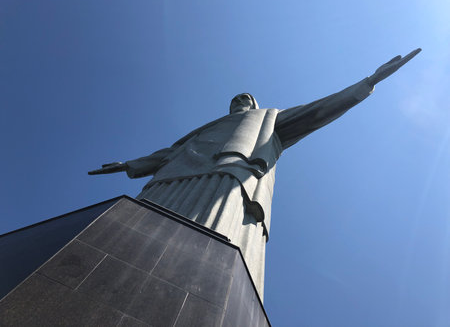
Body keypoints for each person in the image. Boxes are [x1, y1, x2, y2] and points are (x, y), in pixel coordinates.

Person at [89, 49, 421, 297]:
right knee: (132, 232)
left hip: (227, 172)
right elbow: (168, 153)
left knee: (207, 241)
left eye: (245, 98)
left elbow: (319, 110)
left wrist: (368, 82)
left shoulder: (269, 120)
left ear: (254, 104)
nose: (238, 101)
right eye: (235, 98)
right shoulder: (206, 127)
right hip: (171, 177)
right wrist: (129, 164)